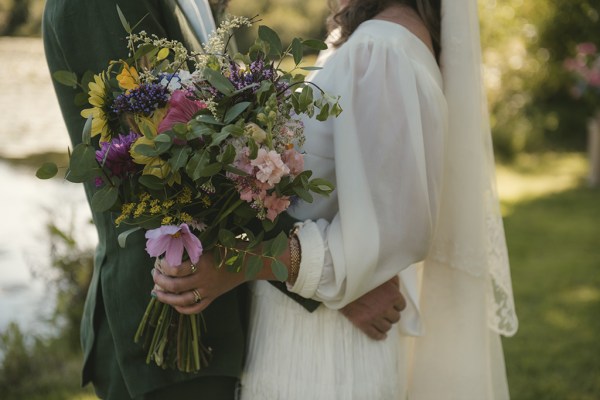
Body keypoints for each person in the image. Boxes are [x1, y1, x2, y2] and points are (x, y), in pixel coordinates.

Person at [154, 0, 518, 398]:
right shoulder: (373, 41)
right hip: (311, 337)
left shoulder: (382, 50)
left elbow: (376, 241)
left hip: (324, 355)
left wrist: (234, 266)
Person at [43, 1, 406, 398]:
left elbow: (218, 153)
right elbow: (147, 165)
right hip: (170, 339)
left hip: (218, 322)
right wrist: (331, 275)